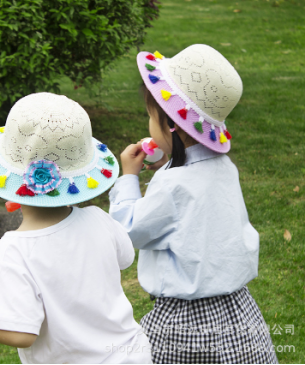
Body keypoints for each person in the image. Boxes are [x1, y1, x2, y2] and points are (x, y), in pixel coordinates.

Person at [0, 93, 152, 364]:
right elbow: (124, 259)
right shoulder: (99, 218)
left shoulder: (13, 251)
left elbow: (20, 334)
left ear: (10, 186)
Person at [109, 45, 278, 364]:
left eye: (151, 116)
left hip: (183, 322)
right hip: (239, 311)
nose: (149, 123)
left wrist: (128, 179)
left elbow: (126, 231)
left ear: (171, 125)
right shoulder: (225, 169)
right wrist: (171, 165)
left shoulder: (172, 186)